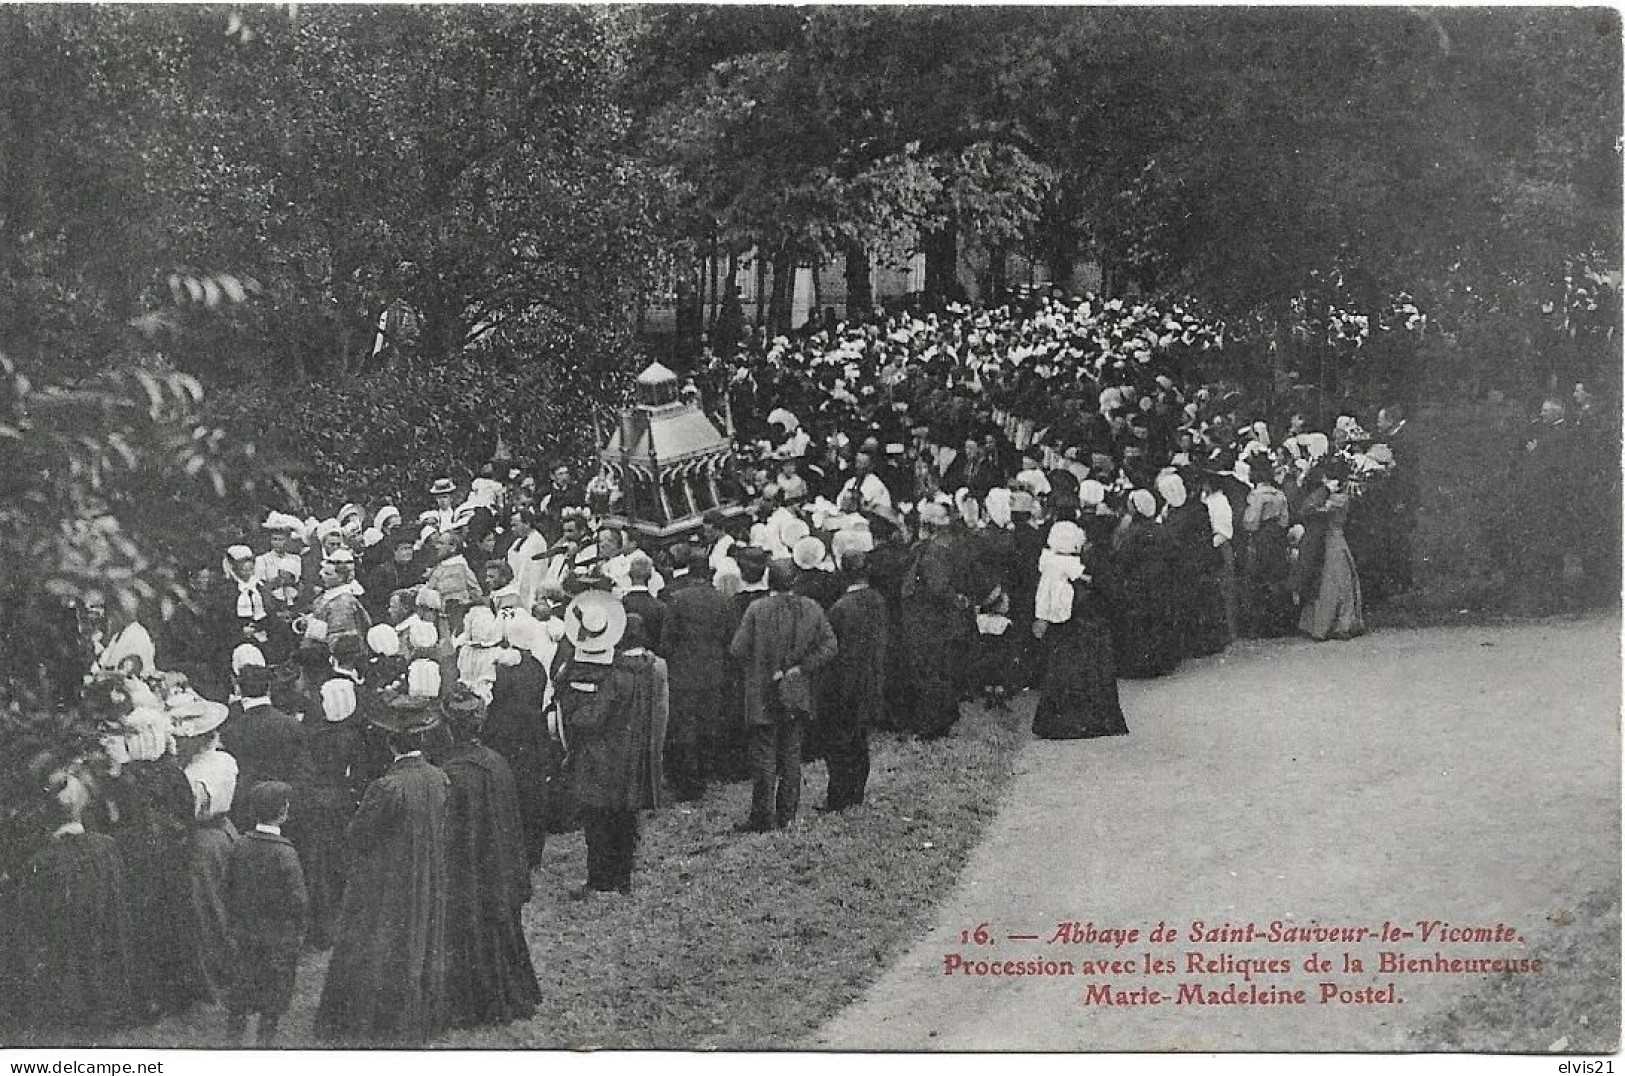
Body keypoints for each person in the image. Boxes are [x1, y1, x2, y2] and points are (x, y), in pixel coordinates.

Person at [314, 693, 451, 1046]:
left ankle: (377, 1014)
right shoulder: (438, 778)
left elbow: (358, 834)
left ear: (391, 742)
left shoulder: (387, 787)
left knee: (379, 942)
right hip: (426, 874)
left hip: (387, 880)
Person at [436, 689, 543, 1028]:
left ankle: (477, 1002)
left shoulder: (454, 769)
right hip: (501, 863)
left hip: (472, 868)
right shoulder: (496, 761)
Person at [13, 764, 136, 1036]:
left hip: (61, 974)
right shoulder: (107, 847)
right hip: (103, 961)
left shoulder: (42, 862)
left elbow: (31, 927)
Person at [728, 559, 838, 832]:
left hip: (762, 691)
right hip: (797, 690)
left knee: (764, 756)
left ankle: (762, 817)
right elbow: (830, 645)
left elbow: (738, 649)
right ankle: (787, 814)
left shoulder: (757, 609)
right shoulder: (811, 608)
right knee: (791, 755)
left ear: (769, 580)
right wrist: (802, 667)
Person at [555, 590, 642, 895]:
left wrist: (568, 703)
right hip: (620, 753)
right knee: (616, 817)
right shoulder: (626, 670)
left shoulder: (608, 676)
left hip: (597, 754)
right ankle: (617, 877)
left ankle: (603, 879)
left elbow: (590, 718)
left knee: (600, 818)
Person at [224, 781, 308, 1048]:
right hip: (277, 940)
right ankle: (265, 1045)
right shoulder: (286, 853)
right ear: (283, 811)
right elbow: (299, 902)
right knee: (272, 997)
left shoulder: (240, 845)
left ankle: (233, 1041)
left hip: (245, 934)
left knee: (242, 989)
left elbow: (229, 887)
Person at [1031, 521, 1129, 740]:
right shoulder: (1064, 565)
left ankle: (1063, 720)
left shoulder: (1050, 563)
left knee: (1065, 672)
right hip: (1078, 623)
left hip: (1066, 625)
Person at [658, 545, 740, 801]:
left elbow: (666, 642)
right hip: (714, 672)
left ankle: (688, 781)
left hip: (683, 674)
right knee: (708, 725)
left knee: (685, 728)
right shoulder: (724, 601)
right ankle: (703, 774)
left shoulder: (678, 600)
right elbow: (732, 639)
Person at [818, 550, 888, 811]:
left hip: (845, 682)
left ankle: (838, 796)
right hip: (870, 678)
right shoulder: (877, 599)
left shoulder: (841, 608)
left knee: (839, 743)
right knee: (859, 739)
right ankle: (856, 791)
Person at [899, 502, 975, 739]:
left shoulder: (934, 550)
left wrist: (954, 599)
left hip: (928, 618)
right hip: (932, 617)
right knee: (936, 668)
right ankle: (941, 717)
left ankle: (932, 724)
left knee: (930, 669)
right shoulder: (940, 547)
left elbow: (937, 587)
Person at [220, 663, 304, 831]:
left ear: (239, 690)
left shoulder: (231, 730)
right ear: (268, 689)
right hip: (283, 805)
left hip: (246, 808)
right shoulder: (291, 725)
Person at [1296, 461, 1366, 641]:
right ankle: (1340, 622)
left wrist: (1324, 490)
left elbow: (1308, 509)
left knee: (1334, 583)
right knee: (1337, 581)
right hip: (1331, 540)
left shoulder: (1338, 499)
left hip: (1333, 540)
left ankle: (1336, 624)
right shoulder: (1338, 496)